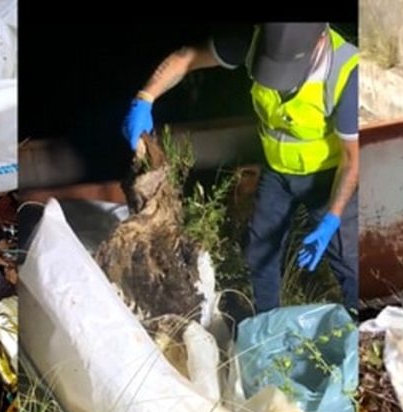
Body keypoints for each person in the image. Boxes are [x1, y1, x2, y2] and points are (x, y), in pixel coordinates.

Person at [122, 22, 359, 315]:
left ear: (320, 41)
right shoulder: (254, 39)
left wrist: (332, 217)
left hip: (328, 177)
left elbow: (352, 160)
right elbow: (186, 57)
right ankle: (266, 326)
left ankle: (359, 328)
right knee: (260, 254)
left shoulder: (348, 73)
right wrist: (144, 99)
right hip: (276, 171)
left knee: (349, 261)